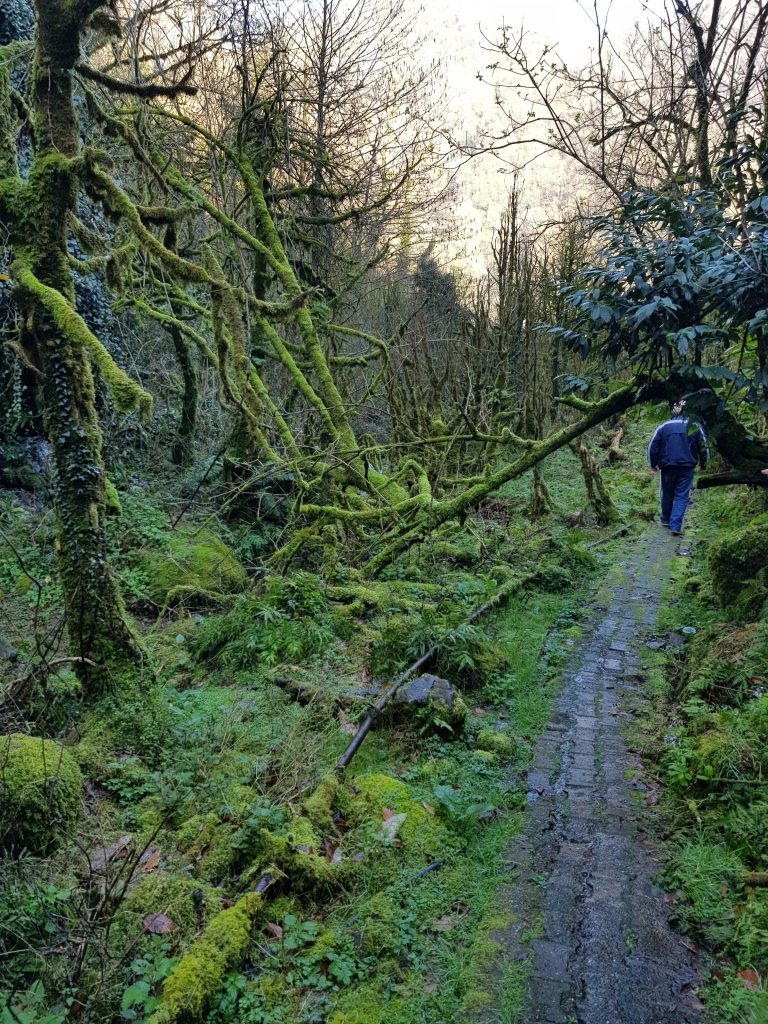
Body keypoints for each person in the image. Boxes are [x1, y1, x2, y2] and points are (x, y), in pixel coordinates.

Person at [647, 399, 709, 536]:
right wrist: (704, 464)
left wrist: (653, 465)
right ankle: (675, 526)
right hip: (687, 467)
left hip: (668, 466)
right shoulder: (695, 425)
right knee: (681, 496)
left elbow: (653, 446)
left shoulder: (664, 426)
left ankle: (666, 520)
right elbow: (704, 446)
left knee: (667, 493)